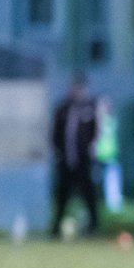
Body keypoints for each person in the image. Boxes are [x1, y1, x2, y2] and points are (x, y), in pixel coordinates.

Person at [50, 75, 99, 237]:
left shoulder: (89, 108)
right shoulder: (62, 108)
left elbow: (95, 132)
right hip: (65, 160)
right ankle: (56, 227)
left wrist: (91, 149)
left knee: (88, 193)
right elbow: (55, 133)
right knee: (62, 194)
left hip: (83, 160)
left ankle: (93, 226)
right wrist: (58, 151)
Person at [95, 95, 123, 214]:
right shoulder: (96, 122)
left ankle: (114, 203)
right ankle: (92, 202)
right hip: (98, 156)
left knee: (112, 179)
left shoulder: (111, 121)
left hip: (110, 155)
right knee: (92, 181)